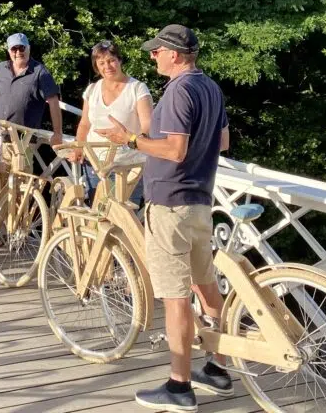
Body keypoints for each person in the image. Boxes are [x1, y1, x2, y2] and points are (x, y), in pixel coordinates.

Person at [101, 24, 232, 411]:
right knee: (206, 286)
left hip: (171, 203)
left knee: (175, 296)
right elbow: (223, 142)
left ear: (174, 55)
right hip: (200, 201)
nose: (152, 56)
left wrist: (129, 139)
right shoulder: (211, 88)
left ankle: (179, 385)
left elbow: (174, 150)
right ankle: (218, 367)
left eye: (157, 51)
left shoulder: (178, 90)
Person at [74, 39, 152, 203]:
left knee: (125, 214)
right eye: (101, 63)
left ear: (120, 60)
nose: (107, 66)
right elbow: (85, 124)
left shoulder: (137, 88)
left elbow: (148, 125)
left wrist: (135, 140)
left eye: (111, 60)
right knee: (98, 214)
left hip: (128, 167)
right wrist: (78, 147)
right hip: (95, 165)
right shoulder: (92, 90)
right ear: (96, 66)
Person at [0, 33, 63, 178]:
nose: (18, 52)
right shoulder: (1, 68)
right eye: (14, 49)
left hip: (24, 139)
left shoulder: (40, 72)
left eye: (22, 48)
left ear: (28, 48)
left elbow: (53, 101)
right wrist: (0, 101)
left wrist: (57, 133)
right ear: (9, 51)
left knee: (21, 179)